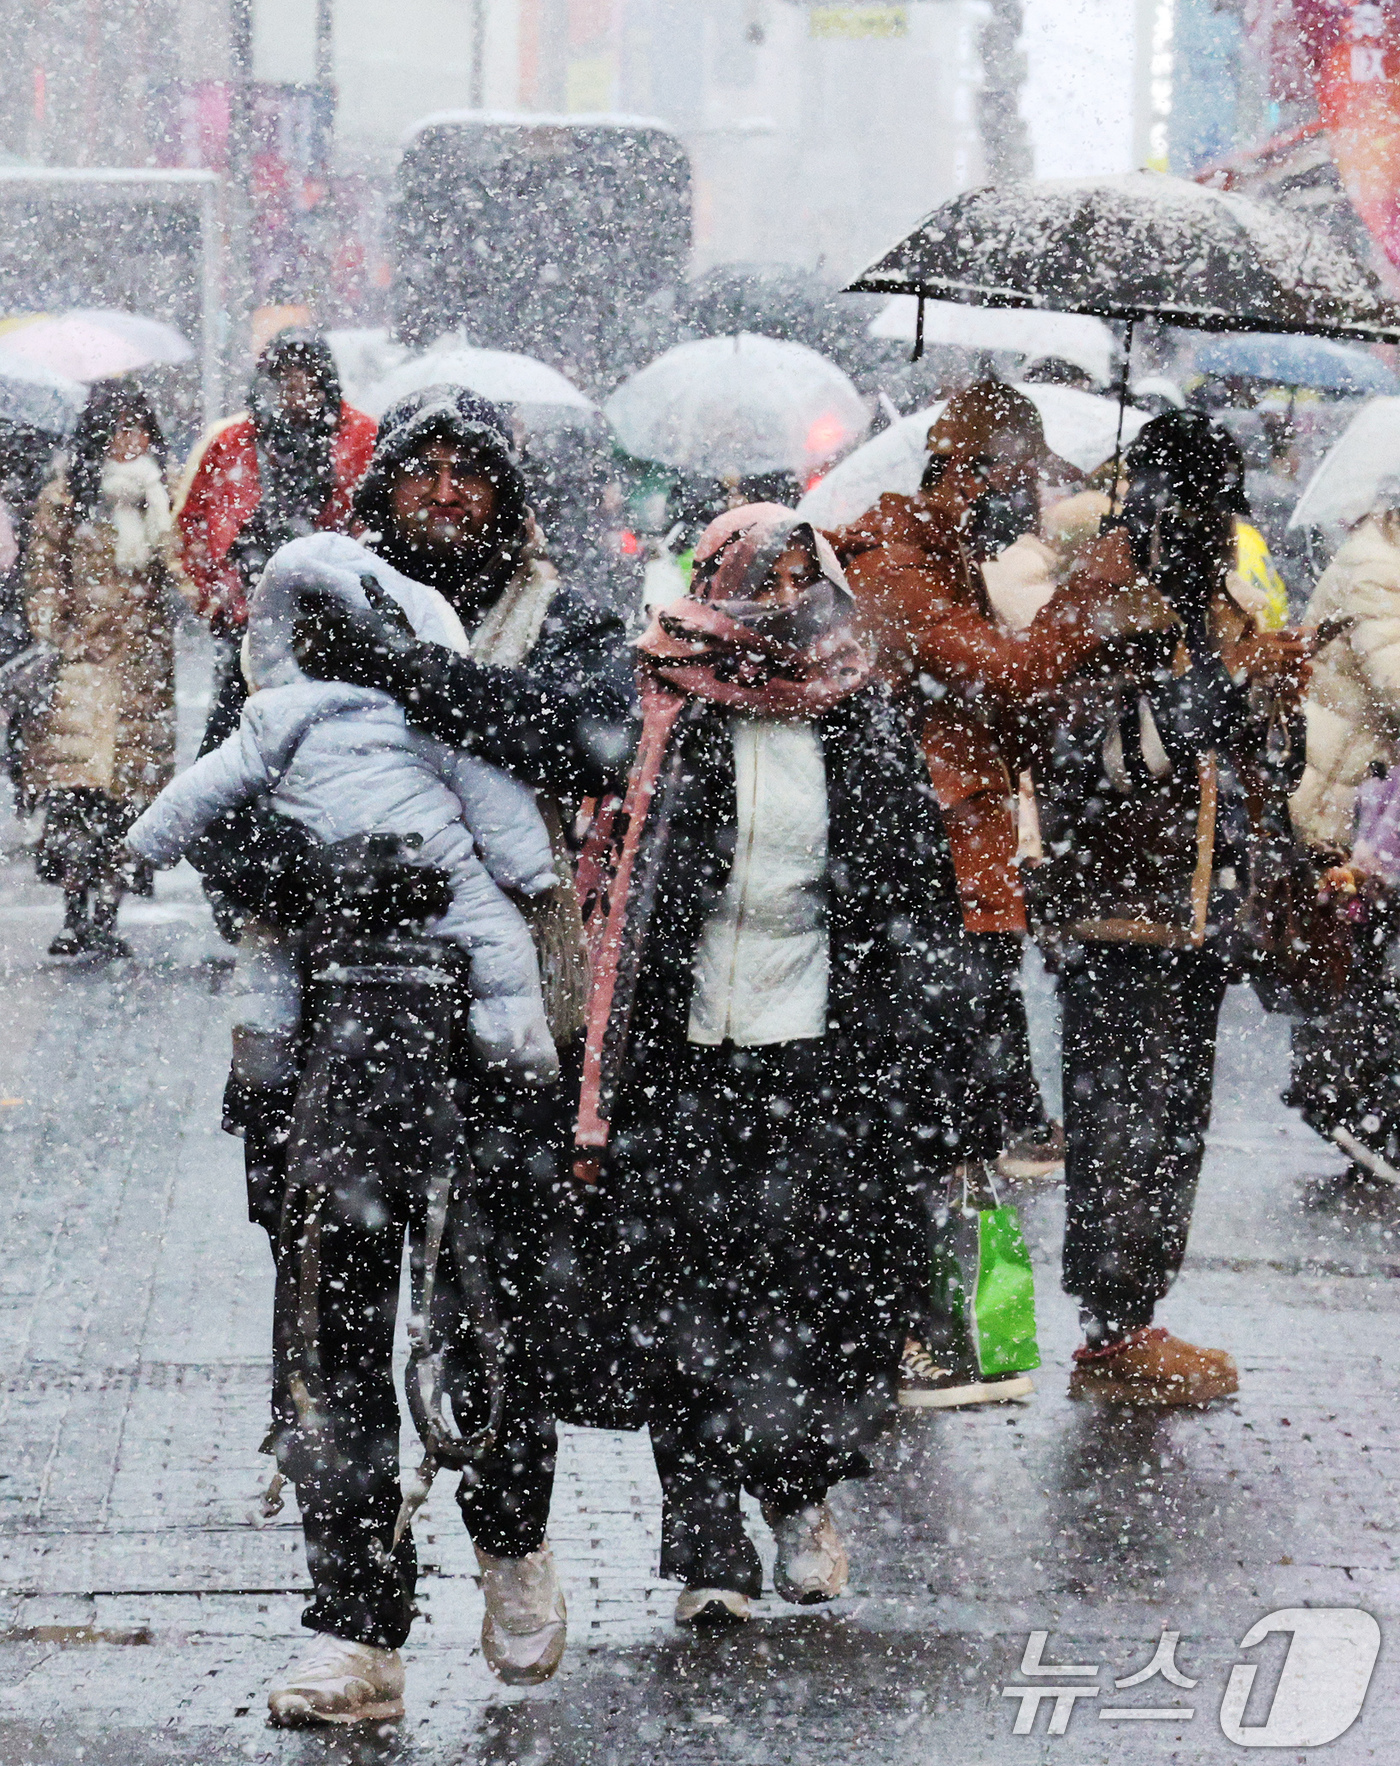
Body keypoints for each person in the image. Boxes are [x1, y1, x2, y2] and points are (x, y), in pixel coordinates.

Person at [185, 388, 633, 1725]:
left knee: (498, 1315)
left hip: (502, 1043)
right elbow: (223, 804)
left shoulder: (563, 619)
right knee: (331, 1330)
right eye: (419, 468)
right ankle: (355, 1624)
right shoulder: (300, 610)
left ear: (509, 495)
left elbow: (589, 742)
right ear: (377, 495)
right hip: (332, 1035)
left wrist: (417, 673)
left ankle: (509, 1538)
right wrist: (326, 874)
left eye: (471, 470)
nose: (444, 489)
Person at [575, 503, 985, 1627]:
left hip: (818, 1053)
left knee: (814, 1284)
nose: (776, 594)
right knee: (683, 1287)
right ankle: (705, 1528)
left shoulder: (856, 710)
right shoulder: (659, 696)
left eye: (798, 573)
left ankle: (799, 1492)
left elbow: (912, 893)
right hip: (680, 1050)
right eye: (757, 571)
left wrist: (946, 1064)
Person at [831, 383, 1156, 1403]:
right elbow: (1004, 677)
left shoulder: (947, 566)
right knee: (918, 1118)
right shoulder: (891, 567)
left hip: (961, 870)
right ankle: (906, 1338)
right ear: (962, 473)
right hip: (914, 875)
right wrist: (1088, 588)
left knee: (953, 1120)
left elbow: (1010, 708)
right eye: (1012, 477)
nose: (1022, 498)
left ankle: (959, 1335)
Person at [1025, 411, 1310, 1405]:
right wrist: (1224, 690)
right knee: (1121, 1123)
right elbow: (1082, 763)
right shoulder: (1100, 600)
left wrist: (1276, 706)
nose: (1205, 534)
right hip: (1118, 915)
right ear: (1148, 505)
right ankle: (1110, 1329)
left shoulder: (1217, 599)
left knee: (1172, 1123)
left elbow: (1254, 760)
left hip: (1198, 916)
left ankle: (1137, 1314)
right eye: (1191, 512)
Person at [125, 532, 561, 1094]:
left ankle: (264, 1042)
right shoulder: (419, 710)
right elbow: (488, 795)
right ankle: (512, 1039)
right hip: (429, 863)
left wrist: (146, 842)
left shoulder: (277, 716)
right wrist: (527, 869)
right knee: (496, 936)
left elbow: (202, 790)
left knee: (270, 956)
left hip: (353, 872)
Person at [21, 381, 181, 959]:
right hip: (83, 671)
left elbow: (180, 573)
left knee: (126, 803)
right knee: (74, 796)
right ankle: (71, 912)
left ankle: (108, 915)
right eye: (117, 428)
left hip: (143, 672)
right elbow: (44, 573)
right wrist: (55, 637)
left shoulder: (162, 496)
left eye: (138, 428)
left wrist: (164, 523)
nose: (128, 440)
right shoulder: (68, 497)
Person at [174, 329, 377, 761]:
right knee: (234, 740)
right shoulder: (229, 443)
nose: (298, 393)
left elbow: (377, 526)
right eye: (286, 380)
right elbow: (187, 526)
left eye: (309, 380)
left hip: (333, 621)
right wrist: (216, 601)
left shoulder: (362, 437)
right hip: (247, 620)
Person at [1287, 481, 1400, 1181]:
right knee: (1360, 947)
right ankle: (1346, 1098)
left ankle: (1352, 1097)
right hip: (1344, 785)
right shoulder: (1377, 567)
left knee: (1365, 948)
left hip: (1365, 784)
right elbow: (1392, 677)